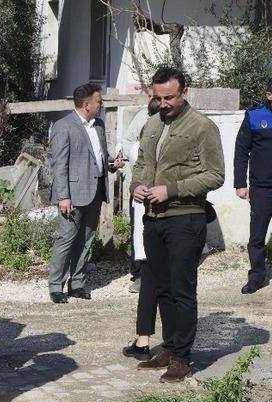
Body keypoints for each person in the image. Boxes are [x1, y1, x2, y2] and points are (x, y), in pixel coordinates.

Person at [131, 67, 225, 382]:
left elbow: (215, 175)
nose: (163, 103)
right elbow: (142, 164)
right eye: (158, 98)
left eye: (169, 97)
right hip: (153, 219)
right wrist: (138, 187)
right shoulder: (151, 124)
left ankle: (183, 358)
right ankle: (169, 348)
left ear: (184, 92)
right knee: (161, 288)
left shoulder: (202, 127)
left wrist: (170, 190)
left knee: (183, 291)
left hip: (186, 218)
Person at [47, 83, 126, 304]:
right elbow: (59, 165)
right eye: (99, 101)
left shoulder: (98, 125)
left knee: (86, 239)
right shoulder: (64, 126)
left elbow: (99, 156)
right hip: (72, 195)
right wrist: (63, 196)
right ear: (86, 104)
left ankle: (77, 284)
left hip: (95, 191)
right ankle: (56, 286)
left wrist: (112, 163)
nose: (102, 105)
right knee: (67, 239)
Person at [234, 74, 272, 296]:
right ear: (270, 95)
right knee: (257, 237)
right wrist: (240, 183)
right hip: (262, 188)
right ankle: (257, 277)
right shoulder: (254, 116)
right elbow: (241, 151)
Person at [122, 98, 162, 361]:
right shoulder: (144, 136)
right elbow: (136, 169)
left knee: (172, 286)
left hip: (175, 217)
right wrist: (135, 186)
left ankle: (174, 347)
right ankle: (144, 340)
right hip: (147, 215)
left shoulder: (192, 130)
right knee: (150, 281)